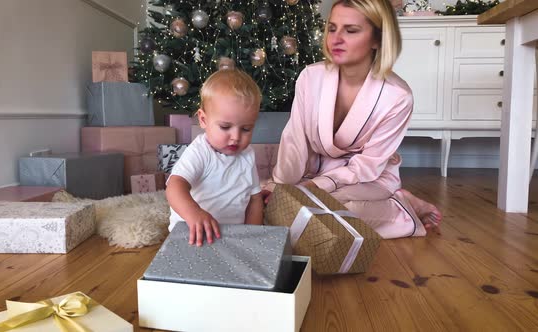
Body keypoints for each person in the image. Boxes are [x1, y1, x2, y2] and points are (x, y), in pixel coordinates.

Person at [265, 0, 442, 238]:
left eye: (351, 30)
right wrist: (281, 187)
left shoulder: (397, 97)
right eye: (332, 28)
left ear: (378, 39)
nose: (336, 39)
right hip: (312, 173)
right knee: (265, 202)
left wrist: (315, 187)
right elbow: (295, 140)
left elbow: (367, 165)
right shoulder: (311, 77)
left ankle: (402, 207)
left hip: (367, 178)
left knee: (326, 212)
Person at [166, 69, 264, 246]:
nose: (235, 137)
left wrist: (251, 236)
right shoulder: (200, 151)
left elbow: (255, 199)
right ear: (203, 120)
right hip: (192, 235)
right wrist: (194, 213)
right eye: (225, 127)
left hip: (231, 238)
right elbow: (174, 187)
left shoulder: (247, 155)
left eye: (246, 129)